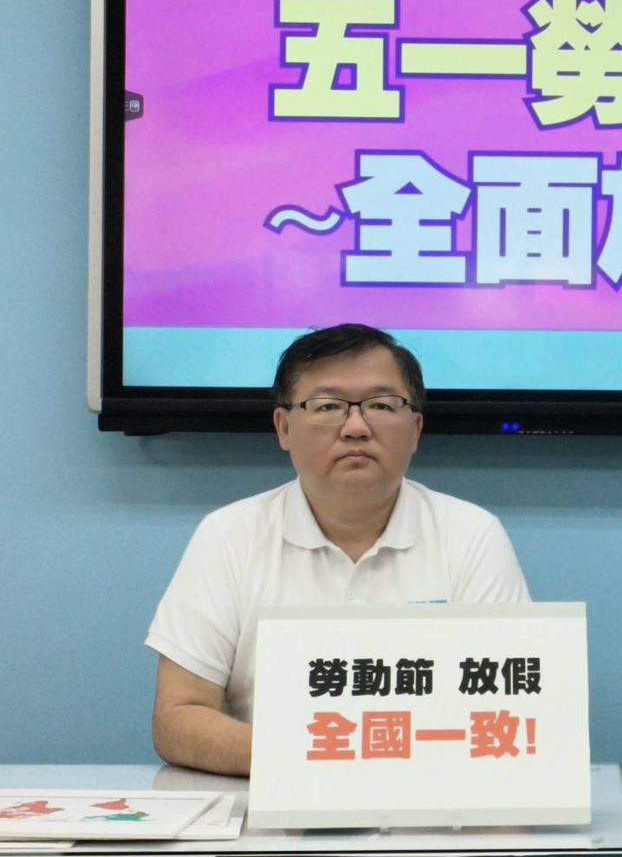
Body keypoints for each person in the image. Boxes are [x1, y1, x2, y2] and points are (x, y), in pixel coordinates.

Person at [145, 324, 530, 776]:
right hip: (271, 802)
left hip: (430, 800)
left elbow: (513, 707)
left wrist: (358, 761)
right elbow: (179, 716)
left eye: (381, 405)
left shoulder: (472, 535)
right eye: (328, 406)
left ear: (416, 429)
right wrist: (319, 759)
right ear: (284, 427)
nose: (355, 428)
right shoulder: (229, 536)